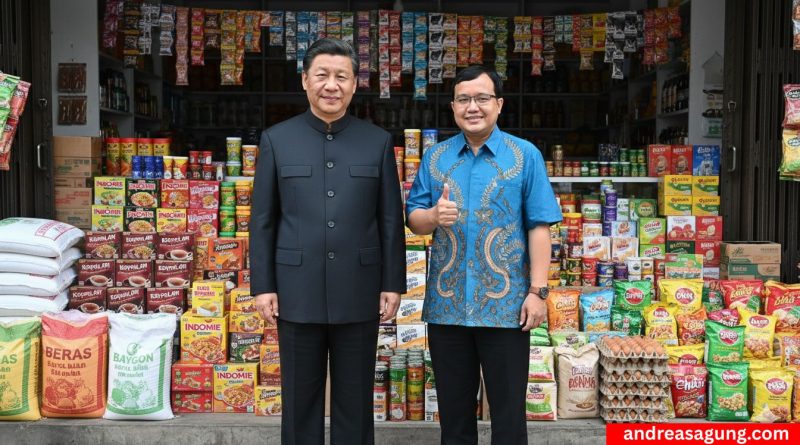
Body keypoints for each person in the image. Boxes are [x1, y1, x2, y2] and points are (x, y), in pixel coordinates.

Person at [250, 38, 406, 445]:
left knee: (355, 399)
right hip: (295, 289)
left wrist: (393, 283)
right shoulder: (277, 140)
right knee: (300, 398)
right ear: (305, 81)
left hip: (360, 287)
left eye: (341, 76)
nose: (331, 85)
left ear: (355, 85)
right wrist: (263, 285)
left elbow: (389, 219)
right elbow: (263, 220)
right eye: (322, 75)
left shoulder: (377, 141)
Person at [405, 65, 562, 445]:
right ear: (453, 106)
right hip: (448, 306)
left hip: (507, 308)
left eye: (481, 98)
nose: (472, 107)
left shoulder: (524, 156)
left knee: (509, 417)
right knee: (454, 418)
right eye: (463, 99)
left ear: (499, 104)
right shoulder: (437, 157)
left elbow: (539, 225)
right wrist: (432, 216)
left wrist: (538, 292)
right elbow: (414, 219)